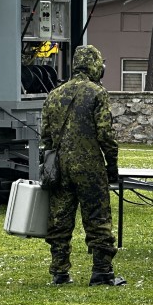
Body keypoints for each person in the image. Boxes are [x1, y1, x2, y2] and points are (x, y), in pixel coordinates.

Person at [41, 44, 124, 286]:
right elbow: (105, 134)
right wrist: (112, 164)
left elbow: (45, 135)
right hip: (89, 166)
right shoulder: (97, 93)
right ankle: (102, 271)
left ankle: (59, 272)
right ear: (97, 65)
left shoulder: (54, 94)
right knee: (97, 218)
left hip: (59, 167)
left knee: (60, 220)